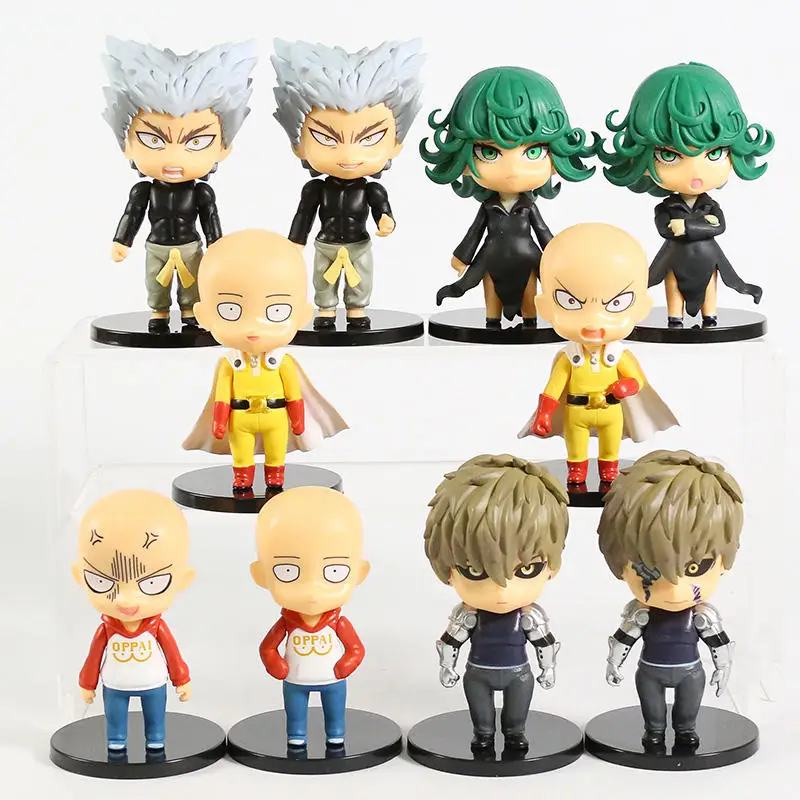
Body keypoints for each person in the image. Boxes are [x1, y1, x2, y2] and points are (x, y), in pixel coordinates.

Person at [595, 62, 773, 326]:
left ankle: (710, 316)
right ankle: (674, 317)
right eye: (669, 156)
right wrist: (700, 225)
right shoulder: (666, 208)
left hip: (709, 258)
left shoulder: (710, 205)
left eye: (714, 153)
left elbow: (719, 227)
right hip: (674, 259)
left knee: (710, 285)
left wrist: (686, 226)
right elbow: (666, 230)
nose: (695, 172)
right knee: (673, 284)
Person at [102, 38, 256, 332]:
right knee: (155, 283)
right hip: (156, 246)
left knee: (192, 285)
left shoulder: (200, 191)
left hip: (190, 247)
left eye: (196, 142)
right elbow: (132, 215)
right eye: (153, 140)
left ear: (223, 148)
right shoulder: (144, 190)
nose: (174, 158)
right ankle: (159, 313)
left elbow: (210, 218)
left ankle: (189, 312)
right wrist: (122, 240)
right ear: (127, 144)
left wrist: (216, 245)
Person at [420, 66, 594, 327]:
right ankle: (492, 321)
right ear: (462, 159)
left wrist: (558, 255)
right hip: (491, 258)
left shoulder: (528, 207)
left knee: (530, 293)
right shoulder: (489, 207)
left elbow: (543, 231)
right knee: (490, 291)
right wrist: (461, 257)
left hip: (527, 257)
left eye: (533, 152)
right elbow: (474, 232)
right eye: (489, 153)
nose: (513, 170)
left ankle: (530, 321)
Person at [272, 39, 424, 330]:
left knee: (360, 280)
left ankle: (356, 310)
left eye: (369, 139)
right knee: (322, 280)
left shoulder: (371, 189)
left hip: (358, 244)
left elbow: (382, 209)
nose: (348, 155)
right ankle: (326, 311)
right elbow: (304, 215)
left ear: (395, 143)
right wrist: (295, 242)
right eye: (326, 138)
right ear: (298, 144)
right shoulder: (316, 189)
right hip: (326, 243)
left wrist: (386, 221)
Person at [597, 450, 741, 752]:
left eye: (695, 568)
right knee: (654, 718)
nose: (675, 588)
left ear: (723, 563)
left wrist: (723, 668)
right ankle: (654, 732)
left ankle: (686, 732)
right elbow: (623, 639)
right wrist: (614, 663)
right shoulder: (640, 614)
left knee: (687, 717)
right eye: (653, 571)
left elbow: (719, 644)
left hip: (691, 672)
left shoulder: (703, 615)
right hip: (650, 671)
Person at [183, 230, 347, 492]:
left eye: (277, 311)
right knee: (241, 451)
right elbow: (222, 395)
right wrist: (219, 421)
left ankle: (275, 475)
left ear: (303, 314)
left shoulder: (282, 362)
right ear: (203, 315)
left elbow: (293, 393)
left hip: (275, 415)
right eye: (230, 311)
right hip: (240, 417)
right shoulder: (229, 363)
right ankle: (242, 477)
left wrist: (298, 419)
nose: (253, 327)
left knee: (275, 449)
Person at [423, 454, 568, 753]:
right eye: (475, 571)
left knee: (515, 724)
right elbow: (450, 642)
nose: (502, 589)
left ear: (552, 567)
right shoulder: (468, 615)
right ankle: (483, 737)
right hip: (478, 673)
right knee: (483, 725)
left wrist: (548, 669)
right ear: (447, 569)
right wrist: (447, 667)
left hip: (519, 673)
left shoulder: (529, 616)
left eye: (526, 569)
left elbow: (545, 643)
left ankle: (515, 736)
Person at [518, 223, 677, 484]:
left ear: (641, 308)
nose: (593, 322)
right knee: (576, 446)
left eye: (617, 304)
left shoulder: (619, 355)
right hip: (576, 411)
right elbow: (554, 387)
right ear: (545, 308)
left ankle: (609, 469)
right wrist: (544, 413)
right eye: (570, 302)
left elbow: (636, 381)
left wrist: (625, 387)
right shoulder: (569, 357)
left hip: (610, 410)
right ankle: (576, 470)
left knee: (610, 445)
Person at [250, 487, 370, 748]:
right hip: (296, 678)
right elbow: (267, 647)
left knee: (335, 711)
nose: (312, 591)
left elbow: (356, 648)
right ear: (261, 575)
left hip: (332, 678)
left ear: (359, 573)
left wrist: (345, 665)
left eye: (334, 572)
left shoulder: (338, 623)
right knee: (295, 711)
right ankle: (296, 735)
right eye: (288, 572)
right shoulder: (286, 623)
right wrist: (276, 664)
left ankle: (336, 733)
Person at [75, 491, 195, 751]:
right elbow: (93, 658)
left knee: (155, 718)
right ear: (80, 577)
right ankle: (116, 740)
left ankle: (156, 738)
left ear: (183, 580)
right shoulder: (106, 629)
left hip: (153, 682)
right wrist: (87, 683)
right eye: (102, 581)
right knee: (115, 718)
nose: (126, 600)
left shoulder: (156, 627)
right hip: (115, 683)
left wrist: (181, 678)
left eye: (152, 583)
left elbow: (172, 654)